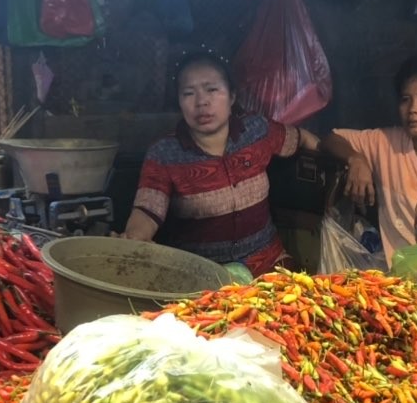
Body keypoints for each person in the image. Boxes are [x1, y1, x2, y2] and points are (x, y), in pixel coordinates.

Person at [115, 52, 319, 277]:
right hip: (201, 276)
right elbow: (146, 210)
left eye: (212, 90)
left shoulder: (257, 132)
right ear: (179, 102)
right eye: (188, 93)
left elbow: (303, 138)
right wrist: (135, 237)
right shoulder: (164, 154)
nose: (201, 102)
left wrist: (343, 161)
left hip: (269, 267)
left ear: (231, 96)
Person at [321, 53, 417, 264]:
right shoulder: (386, 143)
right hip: (400, 286)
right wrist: (356, 159)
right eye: (405, 99)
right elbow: (330, 139)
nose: (413, 109)